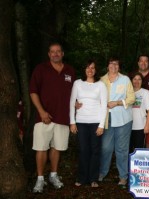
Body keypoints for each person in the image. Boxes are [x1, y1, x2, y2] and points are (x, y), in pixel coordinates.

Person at [29, 42, 75, 193]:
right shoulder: (41, 69)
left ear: (62, 53)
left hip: (63, 117)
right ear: (49, 54)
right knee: (41, 148)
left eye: (58, 51)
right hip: (44, 117)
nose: (55, 54)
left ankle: (53, 175)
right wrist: (41, 112)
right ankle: (40, 179)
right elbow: (33, 92)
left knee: (57, 147)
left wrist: (77, 104)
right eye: (52, 52)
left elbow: (75, 93)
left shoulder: (70, 71)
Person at [69, 60, 107, 187]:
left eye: (92, 68)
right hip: (81, 122)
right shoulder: (77, 83)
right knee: (83, 150)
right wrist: (72, 122)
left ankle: (93, 179)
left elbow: (104, 106)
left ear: (96, 70)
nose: (90, 70)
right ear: (84, 70)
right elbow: (71, 103)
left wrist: (101, 124)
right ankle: (82, 177)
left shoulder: (101, 85)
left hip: (96, 122)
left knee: (95, 151)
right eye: (87, 68)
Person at [98, 57, 135, 187]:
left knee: (122, 149)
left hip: (124, 119)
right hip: (106, 119)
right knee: (106, 148)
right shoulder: (101, 80)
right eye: (111, 63)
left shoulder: (125, 79)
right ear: (107, 66)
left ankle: (123, 176)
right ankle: (102, 172)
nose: (113, 66)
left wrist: (118, 103)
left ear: (119, 66)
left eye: (116, 64)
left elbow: (132, 98)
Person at [129, 55, 149, 149]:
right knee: (127, 149)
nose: (137, 81)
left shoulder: (145, 92)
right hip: (127, 125)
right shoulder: (126, 92)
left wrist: (147, 125)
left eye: (139, 79)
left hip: (140, 125)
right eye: (135, 79)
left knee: (139, 149)